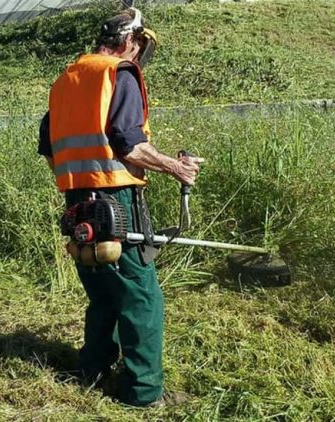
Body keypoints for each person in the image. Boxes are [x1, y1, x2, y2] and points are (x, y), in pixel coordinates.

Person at [37, 8, 204, 407]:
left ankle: (91, 370)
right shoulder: (119, 73)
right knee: (140, 296)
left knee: (103, 293)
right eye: (141, 46)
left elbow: (48, 147)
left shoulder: (66, 79)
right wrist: (176, 167)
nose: (140, 55)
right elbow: (130, 144)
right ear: (132, 40)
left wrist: (78, 184)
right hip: (116, 199)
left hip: (77, 199)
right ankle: (143, 393)